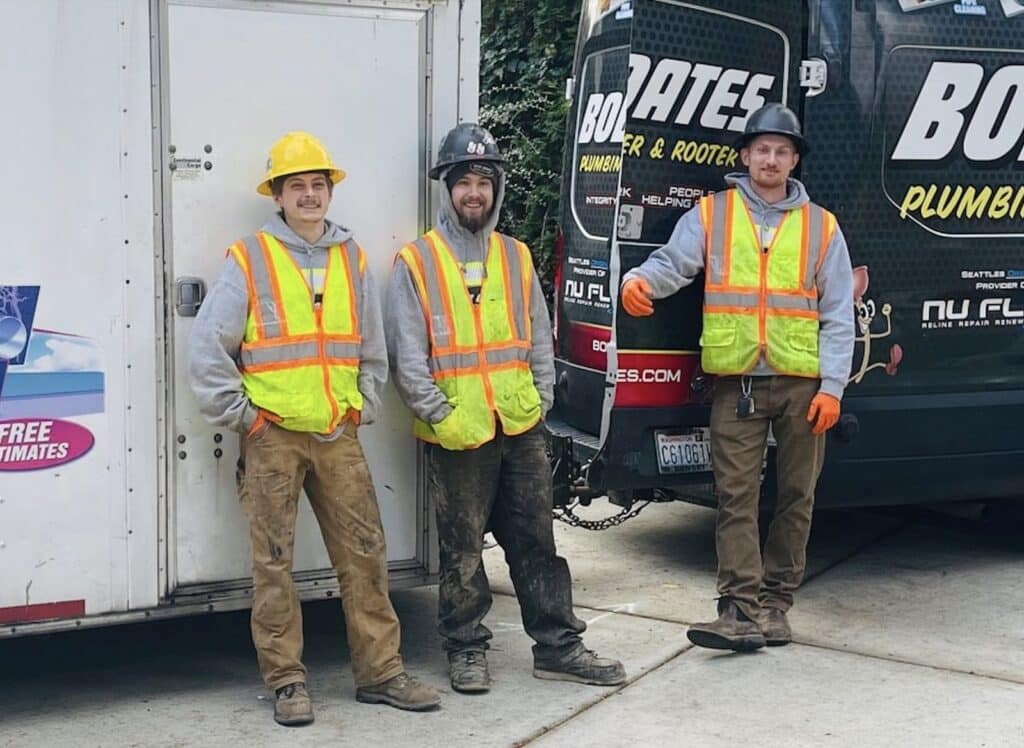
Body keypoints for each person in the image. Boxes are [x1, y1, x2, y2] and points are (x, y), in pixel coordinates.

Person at [188, 131, 440, 726]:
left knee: (365, 555)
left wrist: (362, 404)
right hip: (271, 438)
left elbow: (371, 348)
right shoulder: (249, 258)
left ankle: (381, 674)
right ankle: (286, 682)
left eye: (317, 185)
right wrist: (246, 418)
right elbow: (207, 351)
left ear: (329, 192)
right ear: (277, 195)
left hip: (337, 434)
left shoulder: (350, 258)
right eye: (296, 186)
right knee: (273, 563)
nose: (308, 195)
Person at [385, 123, 626, 693]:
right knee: (462, 549)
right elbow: (406, 355)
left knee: (537, 542)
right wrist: (441, 415)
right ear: (446, 189)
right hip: (458, 434)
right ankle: (466, 649)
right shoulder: (417, 262)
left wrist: (539, 401)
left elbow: (541, 339)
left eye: (484, 182)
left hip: (519, 427)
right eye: (463, 181)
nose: (474, 192)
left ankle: (559, 646)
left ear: (496, 190)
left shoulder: (516, 257)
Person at [620, 104, 855, 651]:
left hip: (802, 385)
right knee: (735, 496)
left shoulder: (822, 226)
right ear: (745, 156)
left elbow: (838, 313)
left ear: (794, 160)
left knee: (797, 495)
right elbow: (671, 263)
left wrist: (833, 388)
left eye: (782, 150)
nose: (770, 159)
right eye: (761, 149)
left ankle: (776, 605)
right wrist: (640, 282)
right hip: (739, 384)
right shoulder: (712, 215)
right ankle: (739, 609)